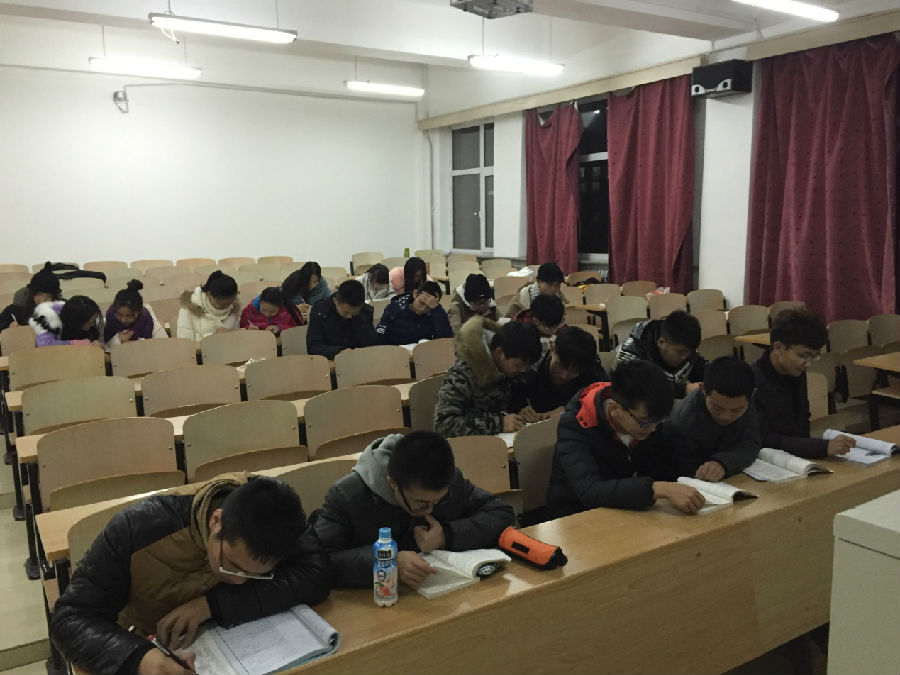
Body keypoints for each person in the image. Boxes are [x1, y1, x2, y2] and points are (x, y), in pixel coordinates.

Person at [50, 475, 330, 675]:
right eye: (230, 564)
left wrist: (210, 605)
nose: (239, 580)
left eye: (254, 575)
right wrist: (141, 658)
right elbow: (69, 618)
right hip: (139, 643)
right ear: (215, 521)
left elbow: (316, 573)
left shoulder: (276, 513)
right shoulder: (138, 528)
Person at [309, 431, 516, 588]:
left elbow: (501, 513)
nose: (429, 510)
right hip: (375, 602)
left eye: (439, 501)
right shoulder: (347, 495)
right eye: (421, 503)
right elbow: (319, 561)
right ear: (392, 484)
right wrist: (388, 561)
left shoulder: (450, 480)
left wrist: (447, 536)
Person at [547, 360, 705, 518]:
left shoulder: (650, 413)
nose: (653, 429)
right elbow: (589, 490)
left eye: (659, 421)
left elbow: (675, 460)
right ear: (614, 409)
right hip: (578, 515)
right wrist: (657, 489)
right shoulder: (576, 424)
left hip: (635, 510)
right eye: (644, 422)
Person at [752, 308, 855, 458]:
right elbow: (765, 439)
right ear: (778, 348)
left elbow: (802, 424)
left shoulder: (795, 371)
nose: (808, 364)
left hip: (795, 459)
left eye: (814, 356)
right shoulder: (751, 381)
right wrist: (822, 447)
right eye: (803, 355)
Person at [434, 317, 542, 436]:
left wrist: (520, 409)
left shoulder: (512, 367)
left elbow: (513, 397)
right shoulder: (464, 372)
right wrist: (498, 424)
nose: (523, 370)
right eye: (519, 365)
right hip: (468, 443)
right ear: (500, 353)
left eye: (527, 366)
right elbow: (443, 424)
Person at [669, 356, 761, 482]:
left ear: (752, 394)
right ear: (703, 389)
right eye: (717, 408)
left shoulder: (744, 399)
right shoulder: (683, 420)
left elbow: (751, 441)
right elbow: (686, 473)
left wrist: (723, 462)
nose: (726, 416)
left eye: (736, 410)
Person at [509, 326, 608, 422]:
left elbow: (605, 395)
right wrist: (521, 407)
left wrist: (568, 409)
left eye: (574, 371)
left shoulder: (589, 365)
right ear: (552, 349)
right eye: (560, 366)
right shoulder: (532, 365)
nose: (564, 375)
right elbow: (511, 393)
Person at [615, 310, 707, 398]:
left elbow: (705, 372)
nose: (684, 357)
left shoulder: (687, 351)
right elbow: (641, 387)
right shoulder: (631, 351)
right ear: (661, 342)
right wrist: (685, 390)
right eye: (680, 352)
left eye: (689, 352)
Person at [305, 279, 377, 359]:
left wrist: (359, 319)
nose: (349, 316)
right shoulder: (320, 312)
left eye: (355, 312)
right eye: (346, 312)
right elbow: (313, 347)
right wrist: (338, 352)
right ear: (336, 301)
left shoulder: (365, 311)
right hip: (330, 361)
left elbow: (371, 344)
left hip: (359, 360)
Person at [375, 280, 451, 345]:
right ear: (415, 294)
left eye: (428, 307)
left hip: (423, 353)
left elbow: (446, 341)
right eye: (421, 303)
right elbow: (379, 335)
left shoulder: (435, 311)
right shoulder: (395, 308)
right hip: (396, 352)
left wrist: (436, 310)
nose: (423, 309)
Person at [103, 279, 168, 350]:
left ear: (139, 312)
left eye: (129, 316)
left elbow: (164, 343)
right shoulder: (111, 316)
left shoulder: (146, 317)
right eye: (119, 314)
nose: (123, 320)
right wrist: (117, 339)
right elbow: (105, 346)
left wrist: (134, 342)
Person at [176, 271, 240, 341]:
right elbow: (185, 344)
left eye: (229, 303)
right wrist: (214, 338)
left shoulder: (233, 309)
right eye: (221, 304)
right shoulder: (188, 311)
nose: (226, 307)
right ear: (209, 294)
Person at [0, 263, 63, 331]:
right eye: (39, 295)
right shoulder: (16, 310)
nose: (43, 300)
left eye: (49, 296)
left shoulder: (64, 310)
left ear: (54, 297)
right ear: (32, 294)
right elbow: (3, 322)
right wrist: (8, 326)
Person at [30, 295, 102, 347]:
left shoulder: (78, 312)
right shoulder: (48, 319)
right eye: (90, 323)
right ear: (78, 322)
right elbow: (44, 344)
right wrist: (79, 343)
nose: (93, 324)